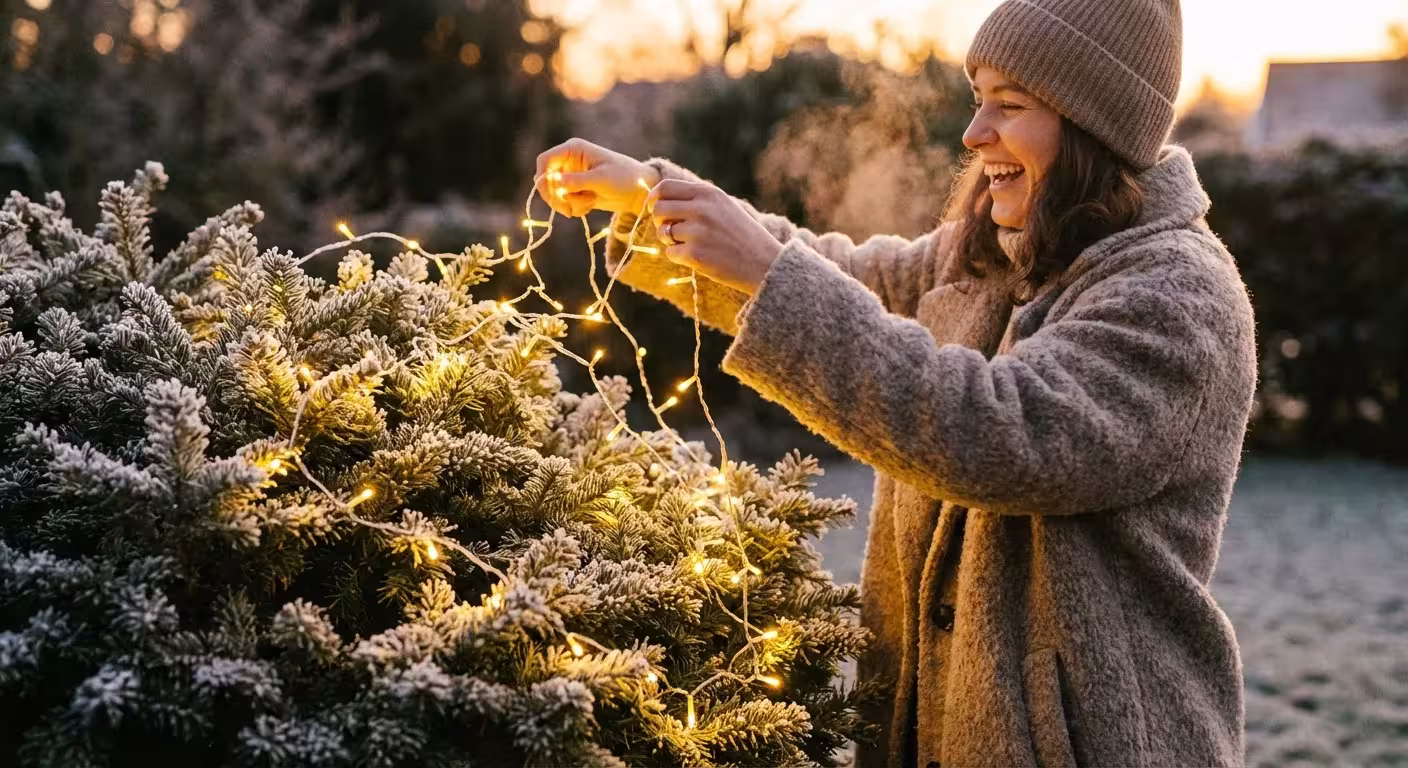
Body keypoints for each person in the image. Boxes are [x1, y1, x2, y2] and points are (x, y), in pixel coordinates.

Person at [535, 0, 1255, 765]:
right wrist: (651, 197)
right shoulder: (995, 251)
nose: (976, 136)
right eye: (979, 100)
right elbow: (845, 279)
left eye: (1010, 106)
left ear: (1094, 128)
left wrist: (769, 273)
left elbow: (996, 432)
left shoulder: (1179, 297)